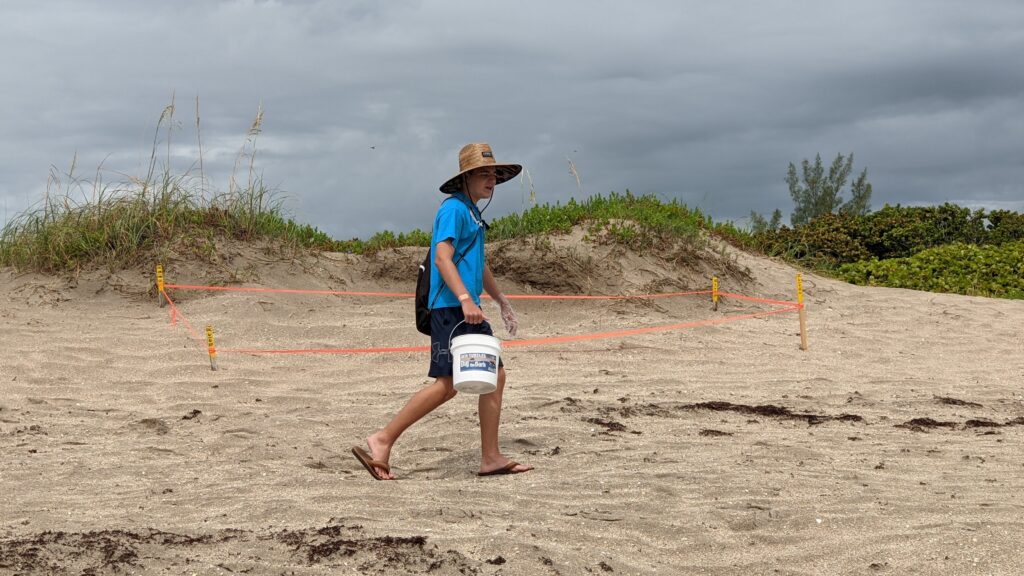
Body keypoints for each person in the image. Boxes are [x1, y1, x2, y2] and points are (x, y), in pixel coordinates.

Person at [352, 142, 534, 480]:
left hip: (463, 307)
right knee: (450, 384)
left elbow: (478, 266)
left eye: (493, 173)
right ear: (466, 177)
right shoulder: (452, 209)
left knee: (473, 380)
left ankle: (487, 456)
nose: (491, 179)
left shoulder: (472, 214)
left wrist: (500, 300)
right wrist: (466, 299)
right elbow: (441, 258)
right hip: (452, 309)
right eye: (483, 173)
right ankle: (383, 439)